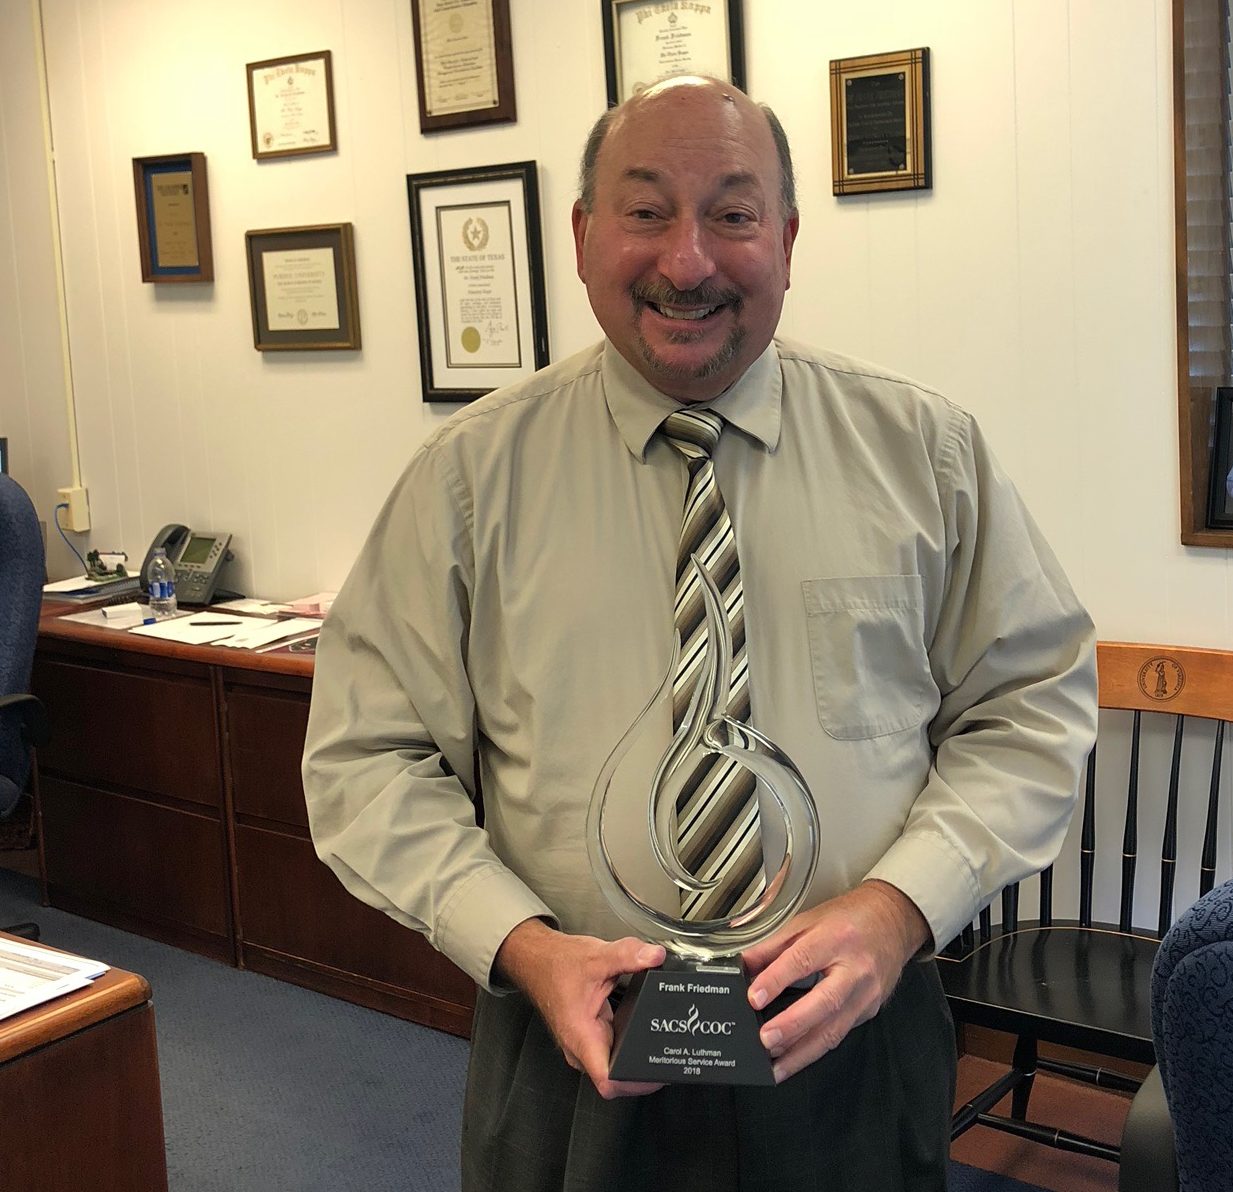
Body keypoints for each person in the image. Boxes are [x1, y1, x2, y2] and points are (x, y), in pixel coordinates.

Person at [302, 76, 1097, 1192]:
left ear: (786, 237)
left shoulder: (925, 455)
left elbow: (1032, 702)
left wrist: (896, 907)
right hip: (571, 1044)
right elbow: (366, 758)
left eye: (732, 212)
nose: (688, 262)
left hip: (849, 1035)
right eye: (644, 211)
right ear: (581, 237)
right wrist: (525, 946)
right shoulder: (467, 484)